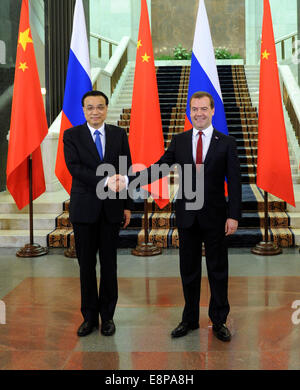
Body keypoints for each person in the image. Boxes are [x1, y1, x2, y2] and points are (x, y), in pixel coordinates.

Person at [134, 91, 241, 341]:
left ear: (213, 111)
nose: (199, 113)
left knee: (218, 270)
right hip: (187, 216)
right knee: (189, 271)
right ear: (189, 112)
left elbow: (235, 183)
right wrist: (130, 179)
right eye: (194, 109)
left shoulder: (226, 142)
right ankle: (190, 319)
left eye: (204, 108)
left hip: (216, 216)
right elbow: (160, 167)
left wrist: (233, 215)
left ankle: (219, 320)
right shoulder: (179, 141)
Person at [63, 90, 133, 337]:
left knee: (110, 265)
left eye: (100, 107)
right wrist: (105, 181)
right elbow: (75, 168)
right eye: (90, 107)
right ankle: (89, 317)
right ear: (83, 110)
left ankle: (108, 317)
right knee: (86, 267)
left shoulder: (118, 134)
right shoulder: (71, 135)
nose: (95, 111)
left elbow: (125, 169)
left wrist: (127, 205)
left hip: (112, 209)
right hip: (84, 210)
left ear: (106, 108)